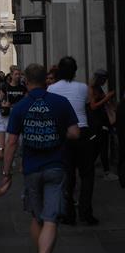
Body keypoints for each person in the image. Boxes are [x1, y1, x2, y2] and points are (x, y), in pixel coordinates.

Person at [4, 64, 80, 253]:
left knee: (37, 218)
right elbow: (75, 132)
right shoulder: (60, 103)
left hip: (31, 169)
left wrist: (7, 171)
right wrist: (60, 132)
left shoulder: (20, 107)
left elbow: (11, 142)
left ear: (26, 82)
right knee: (51, 219)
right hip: (56, 166)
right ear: (46, 81)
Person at [47, 56, 98, 225]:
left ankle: (68, 213)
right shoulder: (83, 87)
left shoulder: (52, 89)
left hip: (64, 134)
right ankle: (86, 212)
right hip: (82, 131)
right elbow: (88, 105)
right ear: (75, 71)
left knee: (67, 175)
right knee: (87, 175)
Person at [88, 69, 118, 181]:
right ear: (99, 78)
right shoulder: (91, 89)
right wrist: (107, 98)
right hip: (97, 122)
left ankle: (91, 167)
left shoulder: (99, 89)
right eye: (104, 79)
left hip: (102, 121)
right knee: (101, 146)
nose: (105, 81)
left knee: (101, 146)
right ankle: (106, 172)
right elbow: (93, 106)